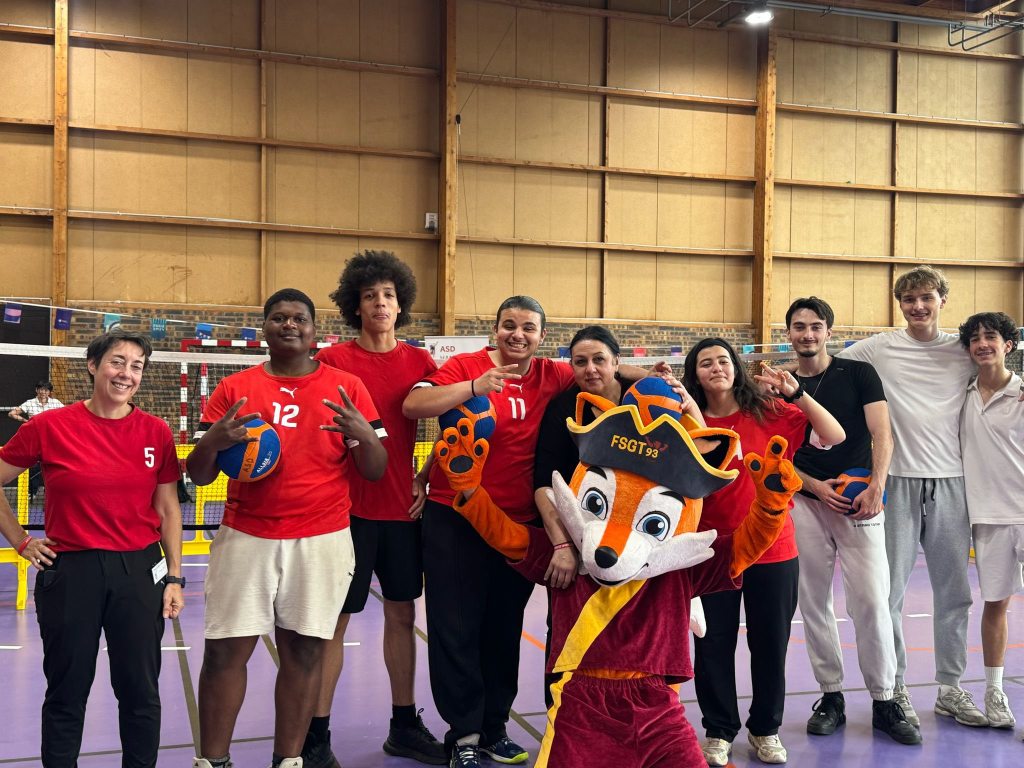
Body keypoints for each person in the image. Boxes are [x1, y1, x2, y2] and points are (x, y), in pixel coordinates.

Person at [189, 289, 387, 768]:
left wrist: (365, 436)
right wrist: (212, 441)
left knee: (304, 654)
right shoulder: (235, 388)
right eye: (278, 317)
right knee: (224, 654)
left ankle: (289, 760)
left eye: (299, 318)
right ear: (265, 329)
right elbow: (199, 475)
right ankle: (213, 761)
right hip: (246, 536)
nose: (289, 324)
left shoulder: (346, 388)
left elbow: (376, 470)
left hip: (322, 539)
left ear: (315, 330)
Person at [402, 296, 576, 768]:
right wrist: (473, 386)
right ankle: (464, 735)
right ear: (495, 329)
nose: (517, 334)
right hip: (455, 517)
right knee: (455, 628)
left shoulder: (552, 375)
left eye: (528, 327)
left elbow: (603, 370)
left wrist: (658, 376)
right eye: (508, 325)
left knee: (502, 630)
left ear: (542, 336)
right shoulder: (466, 366)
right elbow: (414, 405)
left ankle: (495, 728)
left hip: (517, 525)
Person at [0, 330, 184, 768]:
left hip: (139, 572)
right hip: (71, 573)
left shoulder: (155, 432)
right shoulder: (49, 426)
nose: (126, 374)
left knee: (140, 693)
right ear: (93, 365)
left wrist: (175, 576)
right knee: (66, 692)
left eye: (137, 366)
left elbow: (168, 508)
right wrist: (21, 540)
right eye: (117, 362)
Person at [304, 251, 445, 767]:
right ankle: (315, 736)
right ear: (355, 306)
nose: (380, 303)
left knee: (403, 615)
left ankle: (403, 725)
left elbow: (458, 425)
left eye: (388, 295)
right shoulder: (331, 361)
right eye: (370, 296)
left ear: (400, 303)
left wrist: (427, 475)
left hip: (402, 511)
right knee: (336, 621)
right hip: (345, 514)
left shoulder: (421, 364)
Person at [682, 337, 845, 766]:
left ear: (736, 367)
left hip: (773, 551)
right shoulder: (684, 421)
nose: (716, 368)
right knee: (712, 644)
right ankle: (719, 731)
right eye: (705, 363)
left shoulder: (770, 412)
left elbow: (834, 434)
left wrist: (798, 393)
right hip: (711, 552)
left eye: (723, 360)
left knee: (770, 643)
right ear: (695, 375)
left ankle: (765, 729)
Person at [839, 265, 986, 727]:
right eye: (909, 300)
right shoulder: (878, 348)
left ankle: (950, 687)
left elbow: (999, 375)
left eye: (926, 298)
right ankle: (895, 685)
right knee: (889, 593)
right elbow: (822, 364)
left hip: (952, 482)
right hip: (895, 481)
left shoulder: (963, 350)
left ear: (943, 300)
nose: (918, 307)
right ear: (899, 304)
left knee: (954, 592)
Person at [532, 325, 705, 707]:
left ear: (617, 363)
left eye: (600, 360)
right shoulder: (564, 408)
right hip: (584, 543)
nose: (590, 369)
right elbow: (545, 485)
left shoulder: (645, 399)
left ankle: (644, 713)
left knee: (643, 631)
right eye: (580, 362)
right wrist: (562, 545)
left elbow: (692, 456)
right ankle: (562, 715)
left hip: (642, 545)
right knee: (566, 628)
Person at [783, 297, 920, 745]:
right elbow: (775, 454)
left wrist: (877, 486)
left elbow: (882, 433)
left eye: (815, 326)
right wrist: (812, 486)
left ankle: (885, 699)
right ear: (789, 333)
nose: (807, 334)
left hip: (859, 500)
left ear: (829, 332)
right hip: (805, 501)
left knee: (872, 601)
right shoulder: (780, 386)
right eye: (799, 326)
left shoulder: (858, 373)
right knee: (813, 602)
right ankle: (831, 696)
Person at [957, 311, 1024, 735]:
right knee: (995, 603)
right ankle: (994, 692)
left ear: (1008, 345)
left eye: (992, 337)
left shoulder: (1022, 392)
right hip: (987, 516)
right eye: (975, 338)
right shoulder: (960, 394)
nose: (983, 343)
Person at [8, 380, 64, 498]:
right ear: (37, 390)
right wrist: (26, 421)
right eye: (41, 389)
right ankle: (31, 493)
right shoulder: (30, 403)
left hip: (51, 440)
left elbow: (66, 415)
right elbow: (12, 413)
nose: (43, 392)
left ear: (49, 392)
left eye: (46, 390)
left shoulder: (56, 403)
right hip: (35, 440)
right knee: (34, 468)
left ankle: (50, 492)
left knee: (53, 467)